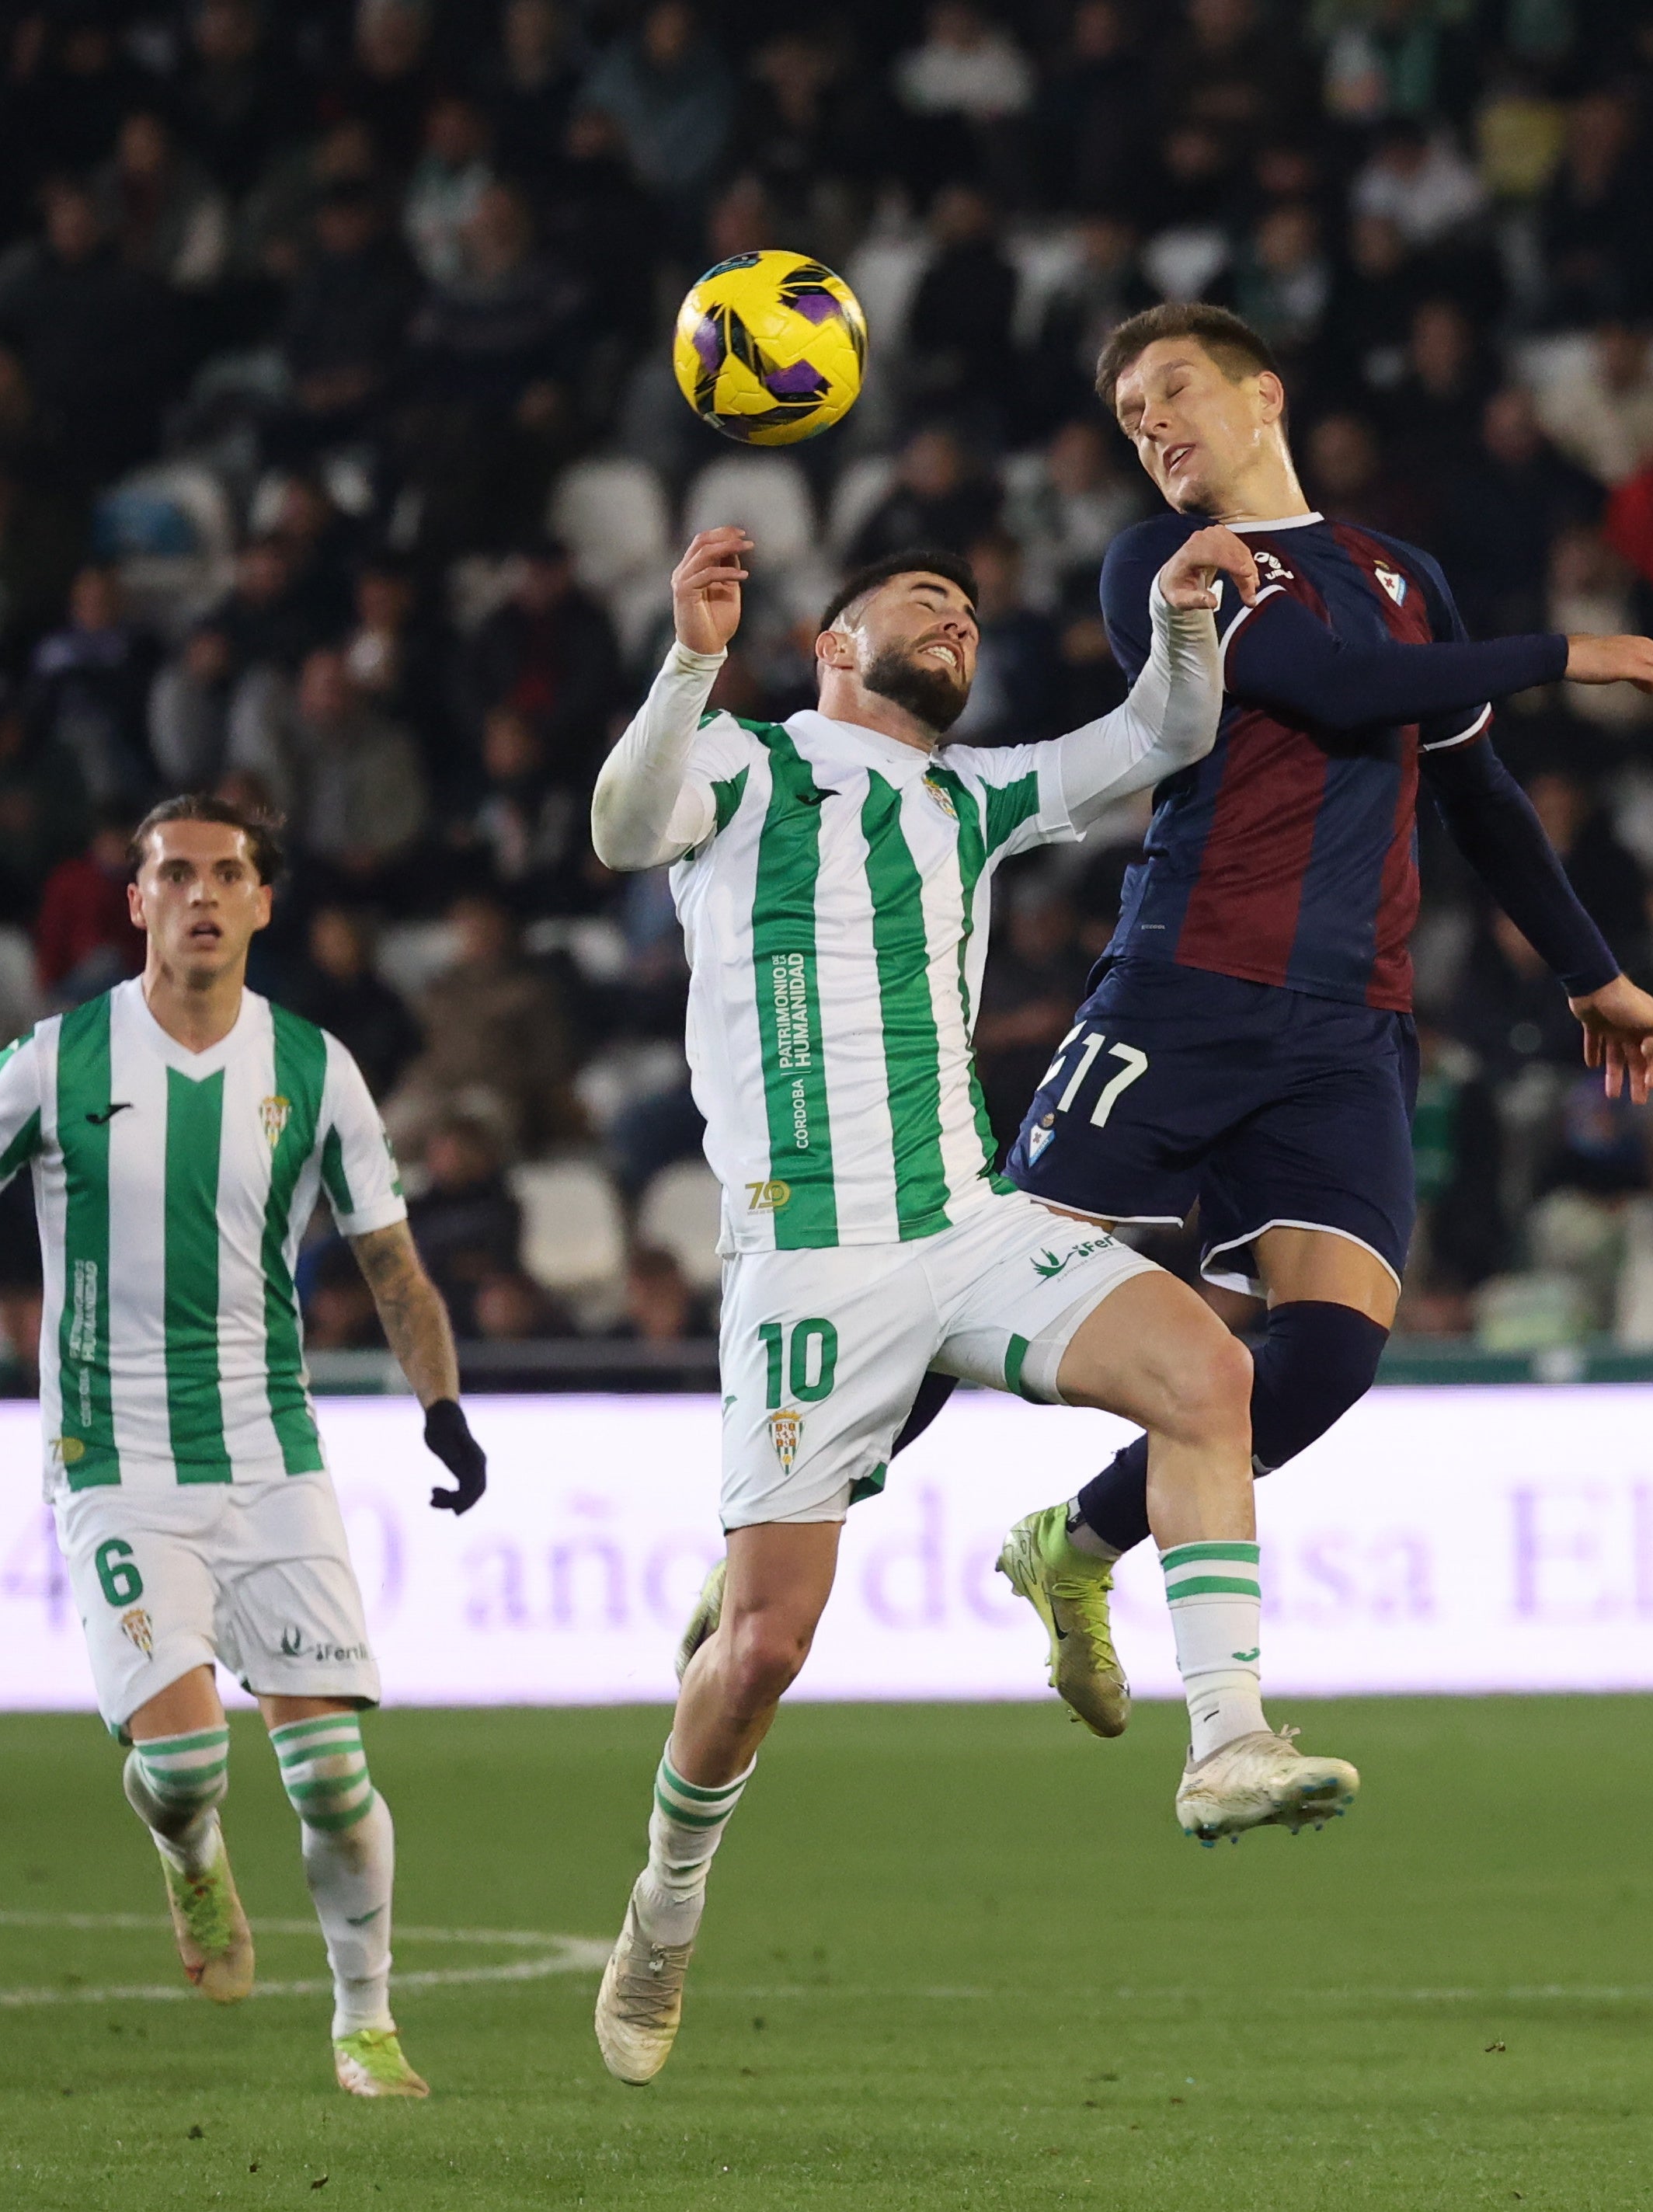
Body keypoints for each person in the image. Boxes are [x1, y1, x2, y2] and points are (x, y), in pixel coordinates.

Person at [581, 524, 1359, 2089]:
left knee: (1210, 1371)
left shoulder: (969, 792)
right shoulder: (740, 765)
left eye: (966, 608)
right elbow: (616, 830)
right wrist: (685, 652)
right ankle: (665, 1904)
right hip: (809, 1258)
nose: (953, 618)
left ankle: (1226, 1739)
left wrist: (1178, 612)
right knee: (757, 1653)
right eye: (917, 599)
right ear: (832, 640)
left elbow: (1159, 734)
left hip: (968, 1219)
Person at [987, 304, 1653, 1733]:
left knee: (1326, 1358)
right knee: (965, 1292)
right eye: (1132, 417)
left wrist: (1589, 970)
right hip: (1182, 988)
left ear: (1263, 393)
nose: (1152, 427)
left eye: (1173, 391)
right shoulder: (1166, 565)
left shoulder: (1398, 572)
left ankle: (1071, 1547)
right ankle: (772, 1538)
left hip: (1347, 1027)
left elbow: (1475, 795)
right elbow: (1324, 687)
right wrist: (1558, 651)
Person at [0, 792, 489, 2099]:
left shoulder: (314, 1067)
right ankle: (189, 1855)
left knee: (333, 1773)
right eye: (175, 874)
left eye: (228, 873)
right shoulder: (54, 1062)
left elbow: (391, 1261)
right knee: (181, 1770)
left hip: (271, 1452)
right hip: (112, 1460)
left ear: (263, 902)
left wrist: (439, 1403)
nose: (203, 895)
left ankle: (365, 2020)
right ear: (137, 902)